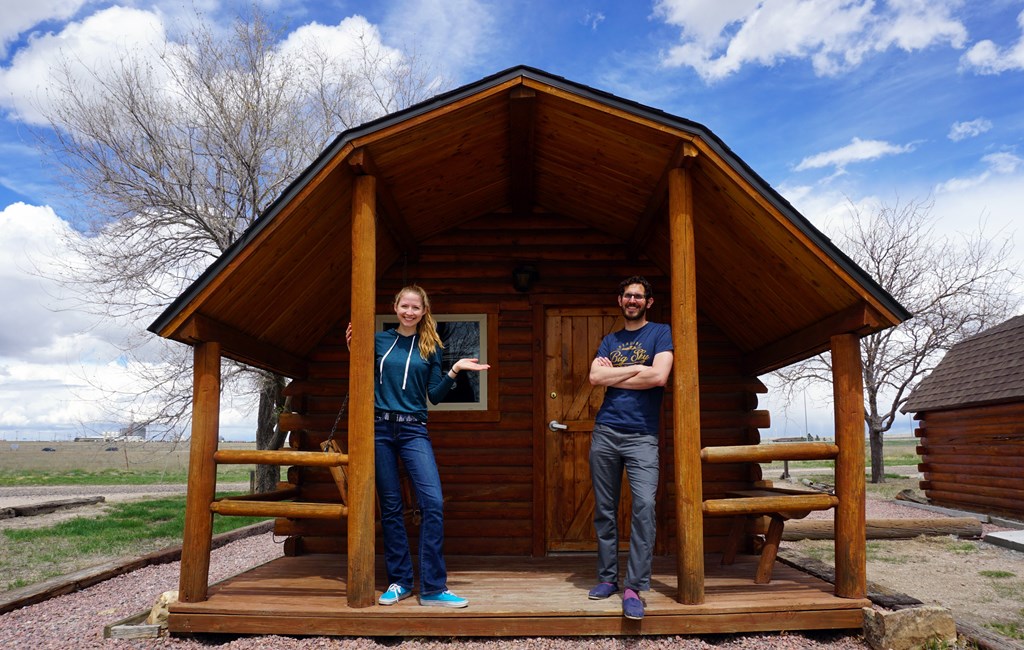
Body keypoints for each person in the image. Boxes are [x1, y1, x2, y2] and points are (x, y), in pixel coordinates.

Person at [346, 285, 489, 608]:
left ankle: (433, 587)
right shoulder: (378, 341)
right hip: (380, 429)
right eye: (404, 306)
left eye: (416, 308)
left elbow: (435, 396)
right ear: (395, 307)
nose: (410, 312)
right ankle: (400, 582)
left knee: (433, 503)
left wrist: (455, 370)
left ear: (424, 311)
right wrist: (354, 351)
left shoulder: (431, 346)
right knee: (392, 508)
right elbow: (363, 380)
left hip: (414, 431)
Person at [585, 275, 674, 620]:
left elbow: (659, 377)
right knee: (605, 510)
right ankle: (607, 579)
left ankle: (634, 586)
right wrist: (639, 367)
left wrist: (619, 372)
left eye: (638, 296)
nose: (632, 300)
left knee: (644, 508)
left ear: (648, 302)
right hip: (606, 432)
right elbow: (595, 379)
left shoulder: (660, 333)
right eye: (627, 296)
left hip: (642, 436)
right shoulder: (610, 339)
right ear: (620, 300)